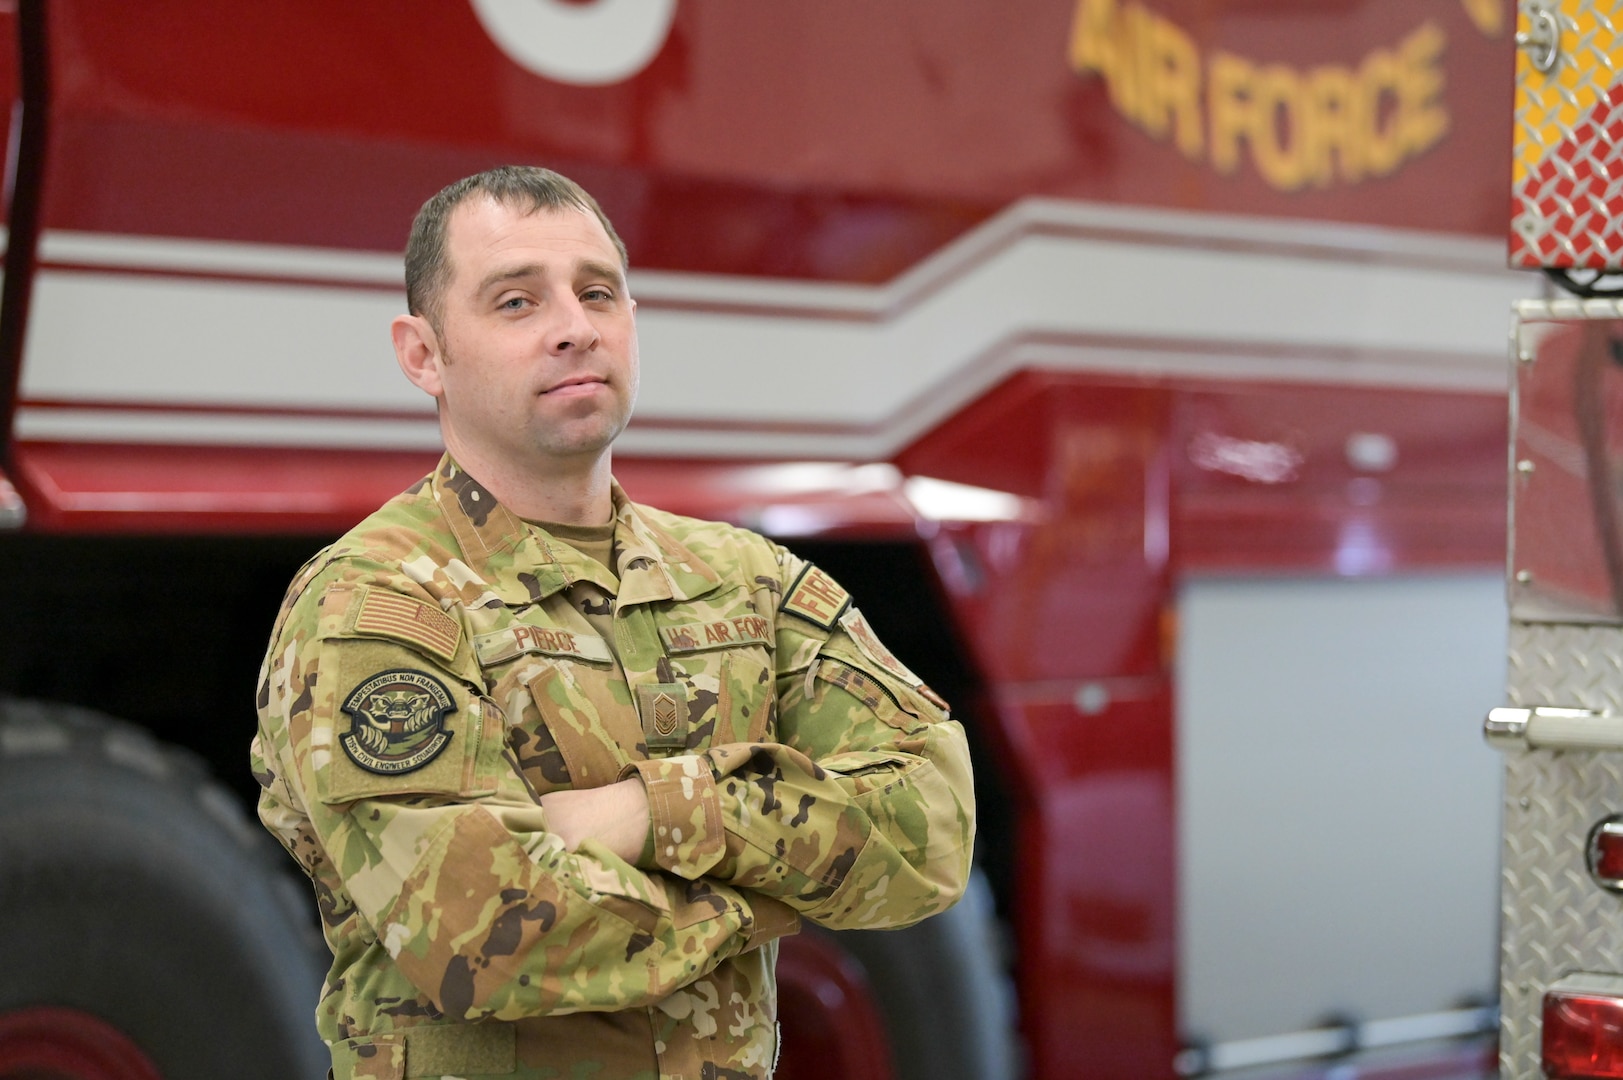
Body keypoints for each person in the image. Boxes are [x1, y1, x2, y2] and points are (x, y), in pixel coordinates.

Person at [251, 166, 976, 1080]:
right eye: (516, 302)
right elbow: (484, 934)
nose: (575, 327)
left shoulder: (747, 584)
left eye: (599, 293)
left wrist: (651, 812)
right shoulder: (376, 603)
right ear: (423, 354)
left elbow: (935, 825)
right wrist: (765, 896)